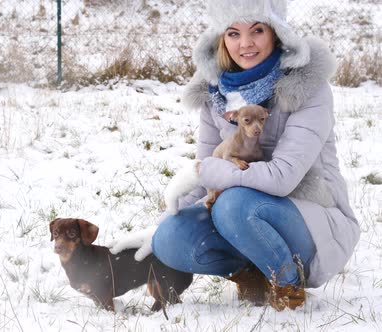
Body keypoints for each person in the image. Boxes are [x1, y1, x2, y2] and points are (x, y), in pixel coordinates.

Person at [110, 0, 360, 311]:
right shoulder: (214, 93)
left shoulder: (306, 86)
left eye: (257, 29)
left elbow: (282, 177)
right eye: (233, 33)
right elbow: (204, 180)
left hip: (311, 220)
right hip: (244, 214)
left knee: (233, 203)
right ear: (221, 39)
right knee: (172, 237)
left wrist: (213, 171)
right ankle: (252, 272)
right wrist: (163, 232)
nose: (245, 44)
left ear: (277, 33)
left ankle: (287, 283)